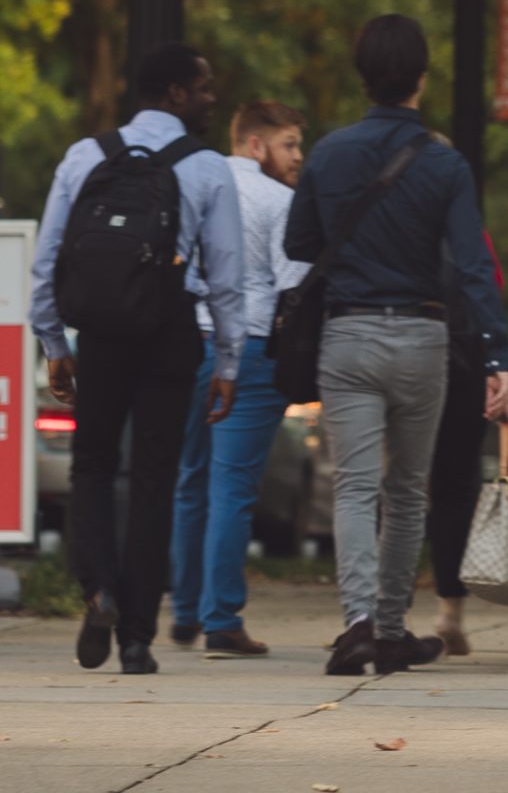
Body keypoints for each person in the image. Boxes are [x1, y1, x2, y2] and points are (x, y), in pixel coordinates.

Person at [285, 14, 508, 678]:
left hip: (349, 336)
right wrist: (497, 357)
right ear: (422, 76)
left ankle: (357, 622)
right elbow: (473, 266)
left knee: (355, 489)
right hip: (422, 337)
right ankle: (390, 629)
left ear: (363, 75)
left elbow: (297, 244)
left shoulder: (328, 154)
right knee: (409, 491)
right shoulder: (444, 163)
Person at [28, 44, 245, 675]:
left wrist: (54, 344)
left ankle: (98, 590)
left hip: (100, 333)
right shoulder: (207, 168)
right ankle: (139, 639)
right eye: (204, 88)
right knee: (154, 479)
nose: (211, 97)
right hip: (170, 331)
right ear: (175, 94)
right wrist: (228, 363)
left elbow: (48, 260)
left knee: (92, 467)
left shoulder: (85, 156)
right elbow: (228, 278)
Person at [170, 100, 309, 656]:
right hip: (247, 348)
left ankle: (183, 610)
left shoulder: (190, 183)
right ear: (256, 144)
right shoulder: (279, 200)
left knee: (189, 481)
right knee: (233, 489)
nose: (299, 156)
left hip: (184, 346)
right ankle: (221, 619)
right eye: (290, 144)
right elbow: (292, 289)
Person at [426, 211, 505, 654]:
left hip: (402, 345)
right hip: (464, 354)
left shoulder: (385, 220)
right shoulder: (470, 230)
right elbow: (490, 289)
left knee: (394, 486)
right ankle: (449, 612)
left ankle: (378, 612)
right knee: (456, 489)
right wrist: (499, 366)